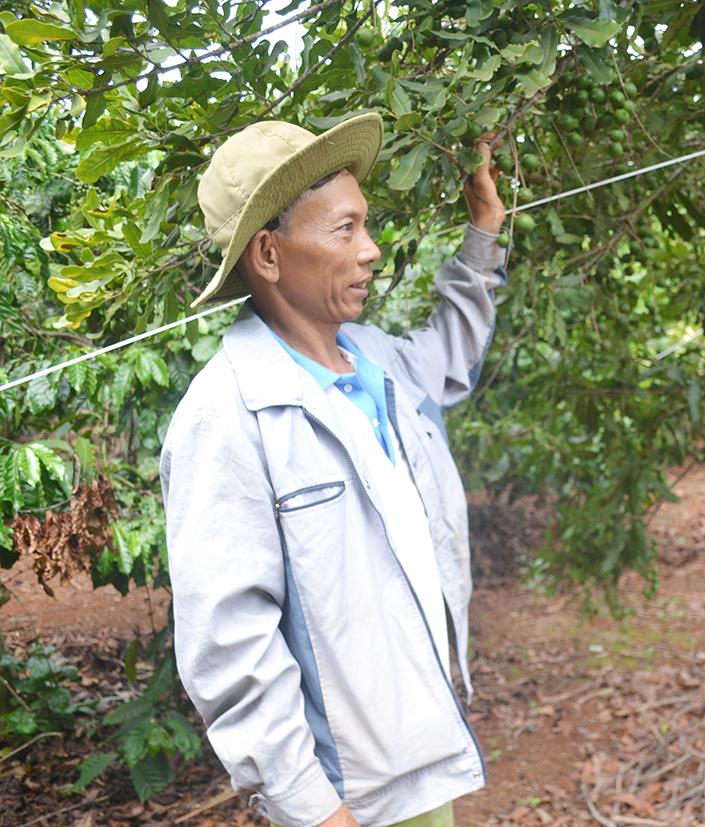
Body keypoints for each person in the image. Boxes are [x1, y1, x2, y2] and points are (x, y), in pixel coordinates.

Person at [160, 113, 507, 827]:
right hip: (348, 799)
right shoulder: (226, 415)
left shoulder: (374, 357)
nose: (372, 250)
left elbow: (449, 352)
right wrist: (314, 809)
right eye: (344, 230)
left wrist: (484, 233)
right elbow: (229, 645)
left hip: (417, 761)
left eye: (366, 226)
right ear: (268, 253)